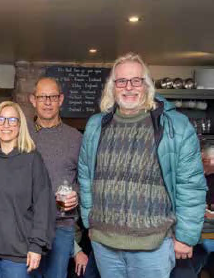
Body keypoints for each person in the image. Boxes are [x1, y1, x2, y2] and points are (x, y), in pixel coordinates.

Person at [78, 52, 207, 278]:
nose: (129, 87)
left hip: (153, 246)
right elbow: (86, 176)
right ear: (112, 87)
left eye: (136, 80)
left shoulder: (175, 126)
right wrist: (90, 221)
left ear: (146, 85)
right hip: (105, 245)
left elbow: (190, 184)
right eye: (121, 81)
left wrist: (186, 237)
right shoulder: (96, 125)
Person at [0, 101, 56, 278]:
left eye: (11, 120)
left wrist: (36, 246)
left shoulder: (32, 160)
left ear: (20, 125)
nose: (5, 125)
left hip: (18, 254)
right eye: (0, 119)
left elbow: (43, 207)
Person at [28, 77, 89, 278]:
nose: (47, 102)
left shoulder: (76, 138)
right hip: (26, 225)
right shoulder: (21, 134)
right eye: (42, 97)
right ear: (33, 100)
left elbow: (85, 178)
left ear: (61, 99)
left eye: (52, 97)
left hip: (61, 227)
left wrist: (77, 195)